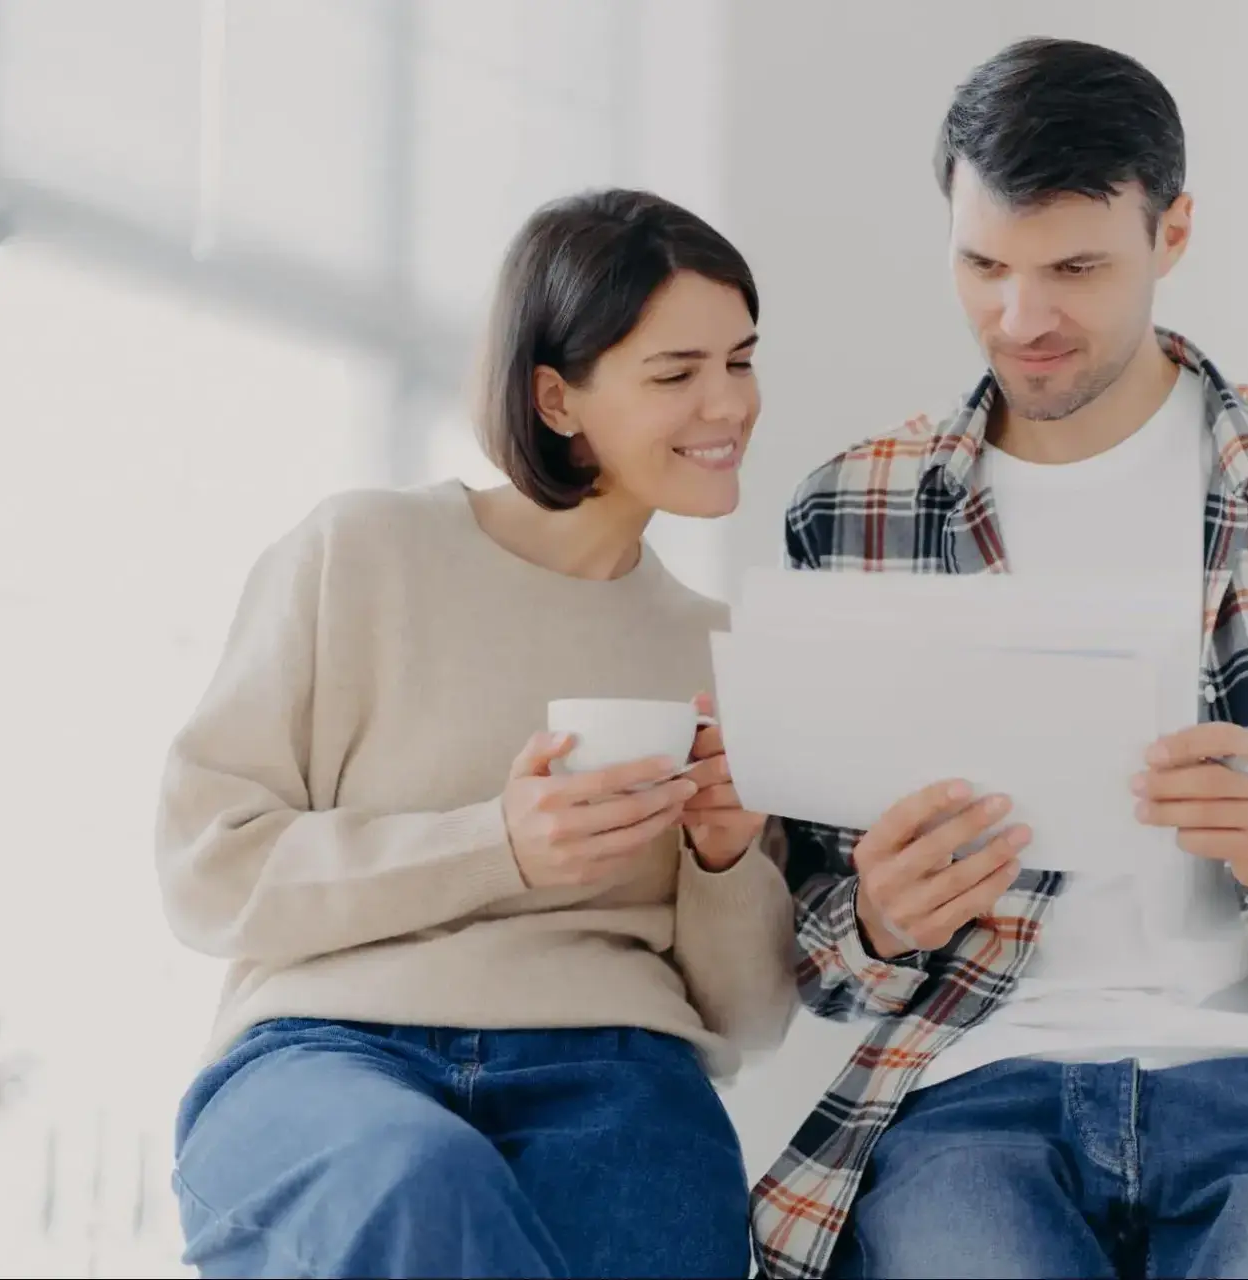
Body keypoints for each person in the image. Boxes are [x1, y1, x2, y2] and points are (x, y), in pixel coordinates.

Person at [753, 38, 1248, 1280]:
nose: (1021, 316)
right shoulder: (852, 509)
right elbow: (813, 957)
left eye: (1076, 268)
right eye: (983, 263)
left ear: (1175, 231)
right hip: (970, 1087)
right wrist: (877, 918)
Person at [157, 188, 795, 1280]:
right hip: (324, 1049)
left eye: (740, 360)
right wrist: (495, 844)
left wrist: (726, 854)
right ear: (557, 398)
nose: (727, 404)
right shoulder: (359, 554)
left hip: (619, 1071)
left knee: (666, 1214)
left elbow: (746, 1016)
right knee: (415, 1184)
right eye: (676, 372)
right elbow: (207, 872)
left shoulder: (723, 649)